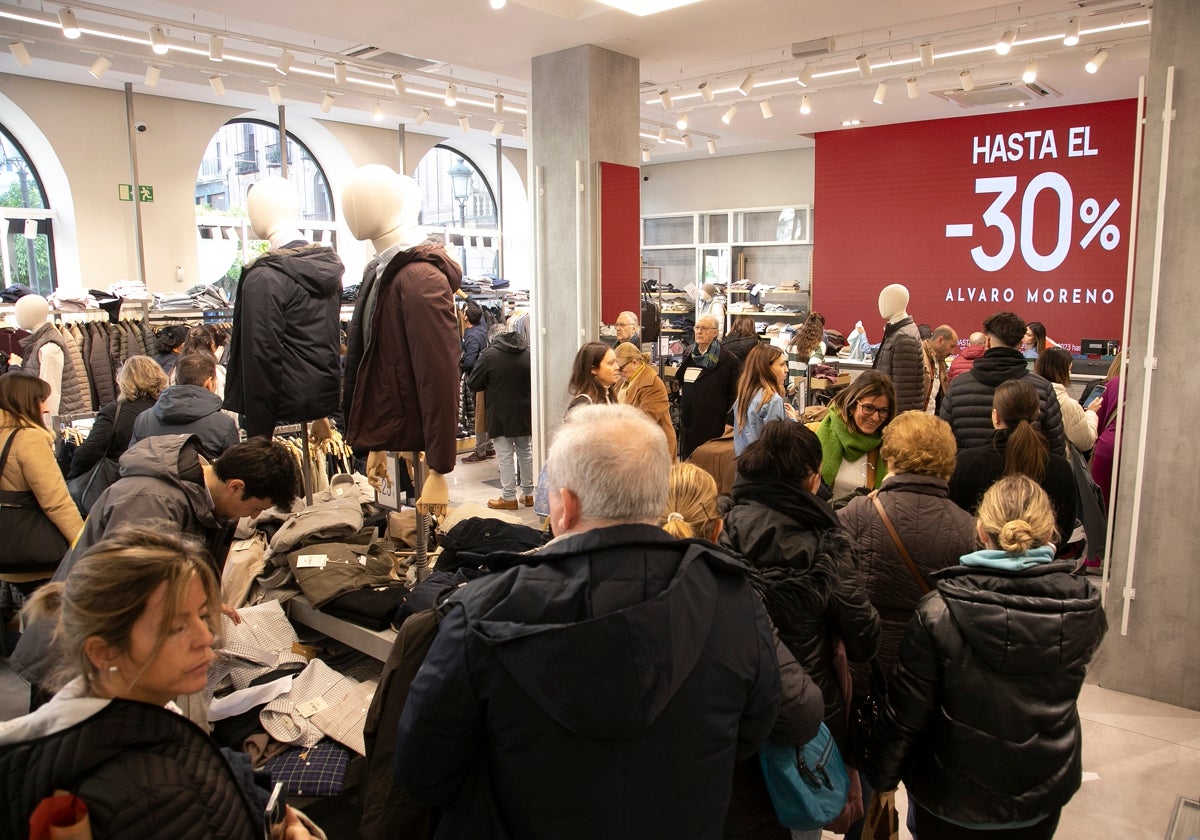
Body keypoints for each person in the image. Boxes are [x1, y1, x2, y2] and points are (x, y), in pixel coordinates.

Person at [394, 404, 787, 839]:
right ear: (659, 496)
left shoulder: (479, 614)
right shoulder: (732, 599)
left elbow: (422, 771)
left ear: (563, 507)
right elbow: (751, 732)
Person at [0, 528, 319, 839]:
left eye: (202, 615)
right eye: (176, 629)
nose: (207, 637)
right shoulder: (147, 795)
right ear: (103, 651)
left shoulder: (137, 720)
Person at [865, 475, 1106, 840]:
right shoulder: (1082, 607)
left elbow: (905, 715)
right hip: (1039, 790)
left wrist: (882, 781)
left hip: (949, 796)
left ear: (980, 530)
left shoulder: (938, 611)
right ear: (1049, 533)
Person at [10, 435, 300, 693]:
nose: (251, 517)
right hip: (76, 659)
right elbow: (127, 592)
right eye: (255, 509)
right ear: (236, 487)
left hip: (106, 659)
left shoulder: (198, 501)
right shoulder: (152, 502)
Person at [720, 420, 880, 832]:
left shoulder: (724, 526)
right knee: (801, 814)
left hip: (735, 704)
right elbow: (863, 634)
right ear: (811, 480)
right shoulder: (827, 543)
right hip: (810, 710)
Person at [659, 460, 826, 840]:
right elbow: (801, 710)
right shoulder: (736, 600)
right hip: (729, 801)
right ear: (718, 529)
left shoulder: (609, 594)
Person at [223, 175, 344, 440]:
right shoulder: (324, 266)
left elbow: (261, 357)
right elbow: (324, 340)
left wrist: (259, 435)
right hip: (320, 396)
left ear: (260, 212)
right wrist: (321, 414)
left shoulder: (265, 277)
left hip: (281, 404)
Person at [948, 380, 1077, 553]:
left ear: (995, 416)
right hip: (1039, 569)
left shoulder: (965, 463)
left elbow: (954, 522)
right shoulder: (1059, 468)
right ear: (1036, 414)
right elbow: (1064, 529)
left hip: (978, 565)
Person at [939, 311, 1066, 455]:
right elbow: (1056, 448)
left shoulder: (958, 387)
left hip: (968, 473)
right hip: (1027, 474)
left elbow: (943, 442)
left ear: (987, 341)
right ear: (1019, 344)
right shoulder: (1043, 389)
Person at [0, 371, 84, 558]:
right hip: (37, 551)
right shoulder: (29, 439)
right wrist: (83, 544)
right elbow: (55, 500)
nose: (46, 408)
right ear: (24, 402)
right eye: (41, 400)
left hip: (8, 550)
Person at [68, 355, 167, 480]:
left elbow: (88, 453)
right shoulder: (168, 409)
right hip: (164, 480)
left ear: (124, 381)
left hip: (122, 483)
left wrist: (71, 478)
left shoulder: (113, 413)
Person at [469, 325, 534, 510]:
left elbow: (474, 382)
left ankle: (509, 497)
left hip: (500, 412)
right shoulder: (528, 352)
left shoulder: (489, 355)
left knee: (505, 455)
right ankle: (528, 494)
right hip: (524, 410)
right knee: (526, 451)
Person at [130, 352, 239, 459]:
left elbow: (133, 462)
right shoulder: (223, 425)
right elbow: (234, 472)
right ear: (209, 383)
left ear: (177, 379)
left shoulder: (143, 420)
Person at [812, 370, 896, 506]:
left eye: (883, 411)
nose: (875, 417)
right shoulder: (816, 434)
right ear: (851, 406)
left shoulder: (889, 448)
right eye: (868, 408)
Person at [675, 313, 742, 460]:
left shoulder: (729, 360)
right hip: (689, 422)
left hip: (713, 424)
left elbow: (735, 394)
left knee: (709, 464)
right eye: (697, 327)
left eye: (704, 328)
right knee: (689, 465)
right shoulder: (689, 354)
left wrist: (729, 422)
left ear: (715, 332)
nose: (699, 331)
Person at [12, 294, 87, 421]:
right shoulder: (37, 342)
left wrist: (48, 430)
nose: (17, 316)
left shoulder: (49, 346)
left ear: (34, 314)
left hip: (58, 424)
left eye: (21, 311)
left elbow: (50, 395)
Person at [614, 341, 677, 458]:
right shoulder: (623, 380)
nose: (618, 371)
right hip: (634, 445)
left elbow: (646, 420)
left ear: (634, 362)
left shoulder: (652, 384)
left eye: (621, 368)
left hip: (655, 448)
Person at [732, 342, 795, 457]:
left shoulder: (743, 397)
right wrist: (793, 421)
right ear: (766, 368)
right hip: (767, 468)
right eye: (782, 365)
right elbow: (779, 443)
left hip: (744, 466)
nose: (786, 370)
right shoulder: (773, 400)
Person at [873, 284, 927, 415]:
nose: (881, 304)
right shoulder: (896, 332)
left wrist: (895, 424)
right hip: (887, 411)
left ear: (900, 302)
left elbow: (903, 392)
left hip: (896, 420)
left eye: (886, 300)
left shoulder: (904, 337)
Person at [1035, 346, 1099, 454]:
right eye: (1069, 369)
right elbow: (1085, 442)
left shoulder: (1026, 394)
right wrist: (1091, 413)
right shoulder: (1068, 405)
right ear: (1061, 371)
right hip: (1056, 463)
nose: (1070, 373)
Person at [460, 301, 495, 464]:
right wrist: (463, 296)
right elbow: (476, 308)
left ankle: (480, 449)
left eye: (463, 312)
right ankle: (488, 446)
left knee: (479, 415)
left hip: (478, 379)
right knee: (485, 412)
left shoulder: (472, 336)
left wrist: (459, 364)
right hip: (487, 379)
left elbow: (469, 361)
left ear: (466, 317)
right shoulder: (481, 328)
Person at [1090, 353, 1124, 508]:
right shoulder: (1152, 388)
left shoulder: (1115, 383)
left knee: (1101, 504)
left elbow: (1098, 420)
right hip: (1137, 451)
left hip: (1107, 447)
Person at [567, 340, 618, 408]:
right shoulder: (583, 404)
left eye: (616, 362)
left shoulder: (609, 396)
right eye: (611, 363)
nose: (617, 367)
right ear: (593, 369)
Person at [786, 311, 826, 396]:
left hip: (791, 389)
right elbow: (811, 370)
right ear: (821, 328)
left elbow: (785, 362)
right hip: (806, 392)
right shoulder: (819, 346)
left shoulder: (793, 342)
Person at [923, 324, 958, 415]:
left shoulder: (940, 363)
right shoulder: (919, 356)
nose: (952, 352)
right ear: (940, 340)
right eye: (952, 346)